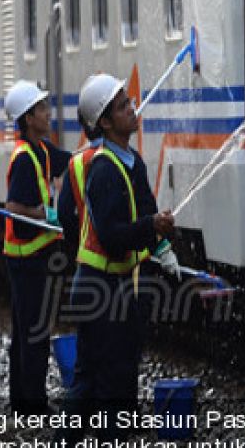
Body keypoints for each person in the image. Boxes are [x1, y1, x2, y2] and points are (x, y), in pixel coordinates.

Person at [57, 74, 182, 441]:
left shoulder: (132, 162)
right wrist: (151, 225)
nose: (132, 108)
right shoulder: (104, 171)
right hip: (101, 287)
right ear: (106, 122)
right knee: (111, 383)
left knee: (97, 380)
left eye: (129, 101)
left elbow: (146, 211)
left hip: (113, 287)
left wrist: (164, 247)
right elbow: (112, 237)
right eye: (123, 106)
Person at [2, 79, 71, 415]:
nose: (48, 113)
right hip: (26, 259)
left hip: (34, 255)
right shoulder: (25, 158)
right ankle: (32, 404)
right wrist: (46, 213)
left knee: (28, 329)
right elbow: (14, 207)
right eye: (42, 109)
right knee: (35, 332)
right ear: (28, 118)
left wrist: (97, 151)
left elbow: (69, 162)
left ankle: (22, 400)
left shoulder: (41, 151)